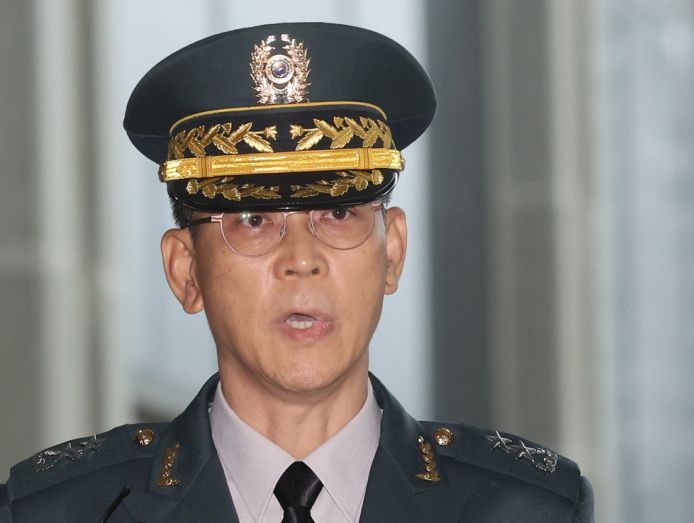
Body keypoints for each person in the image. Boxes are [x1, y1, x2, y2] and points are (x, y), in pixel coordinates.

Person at [0, 22, 593, 522]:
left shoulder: (531, 507)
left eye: (338, 213)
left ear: (392, 252)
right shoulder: (58, 508)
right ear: (186, 271)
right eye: (253, 220)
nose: (302, 258)